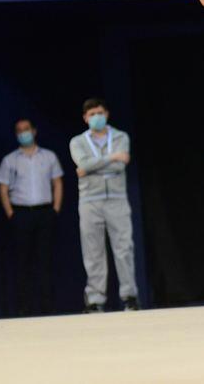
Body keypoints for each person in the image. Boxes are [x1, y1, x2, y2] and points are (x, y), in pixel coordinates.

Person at [68, 98, 140, 312]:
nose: (96, 117)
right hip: (90, 201)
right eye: (92, 114)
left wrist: (90, 167)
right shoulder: (78, 141)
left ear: (106, 114)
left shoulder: (120, 137)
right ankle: (95, 299)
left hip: (116, 199)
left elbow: (119, 167)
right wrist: (113, 157)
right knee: (93, 251)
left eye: (99, 113)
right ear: (85, 118)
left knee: (124, 248)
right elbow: (83, 163)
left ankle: (129, 296)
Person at [0, 119, 63, 316]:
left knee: (45, 260)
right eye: (19, 131)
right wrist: (10, 213)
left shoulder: (48, 156)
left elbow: (57, 183)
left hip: (44, 212)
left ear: (34, 131)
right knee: (22, 262)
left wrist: (55, 209)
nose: (23, 133)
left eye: (26, 129)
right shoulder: (10, 160)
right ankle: (24, 309)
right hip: (21, 214)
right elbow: (3, 188)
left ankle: (48, 308)